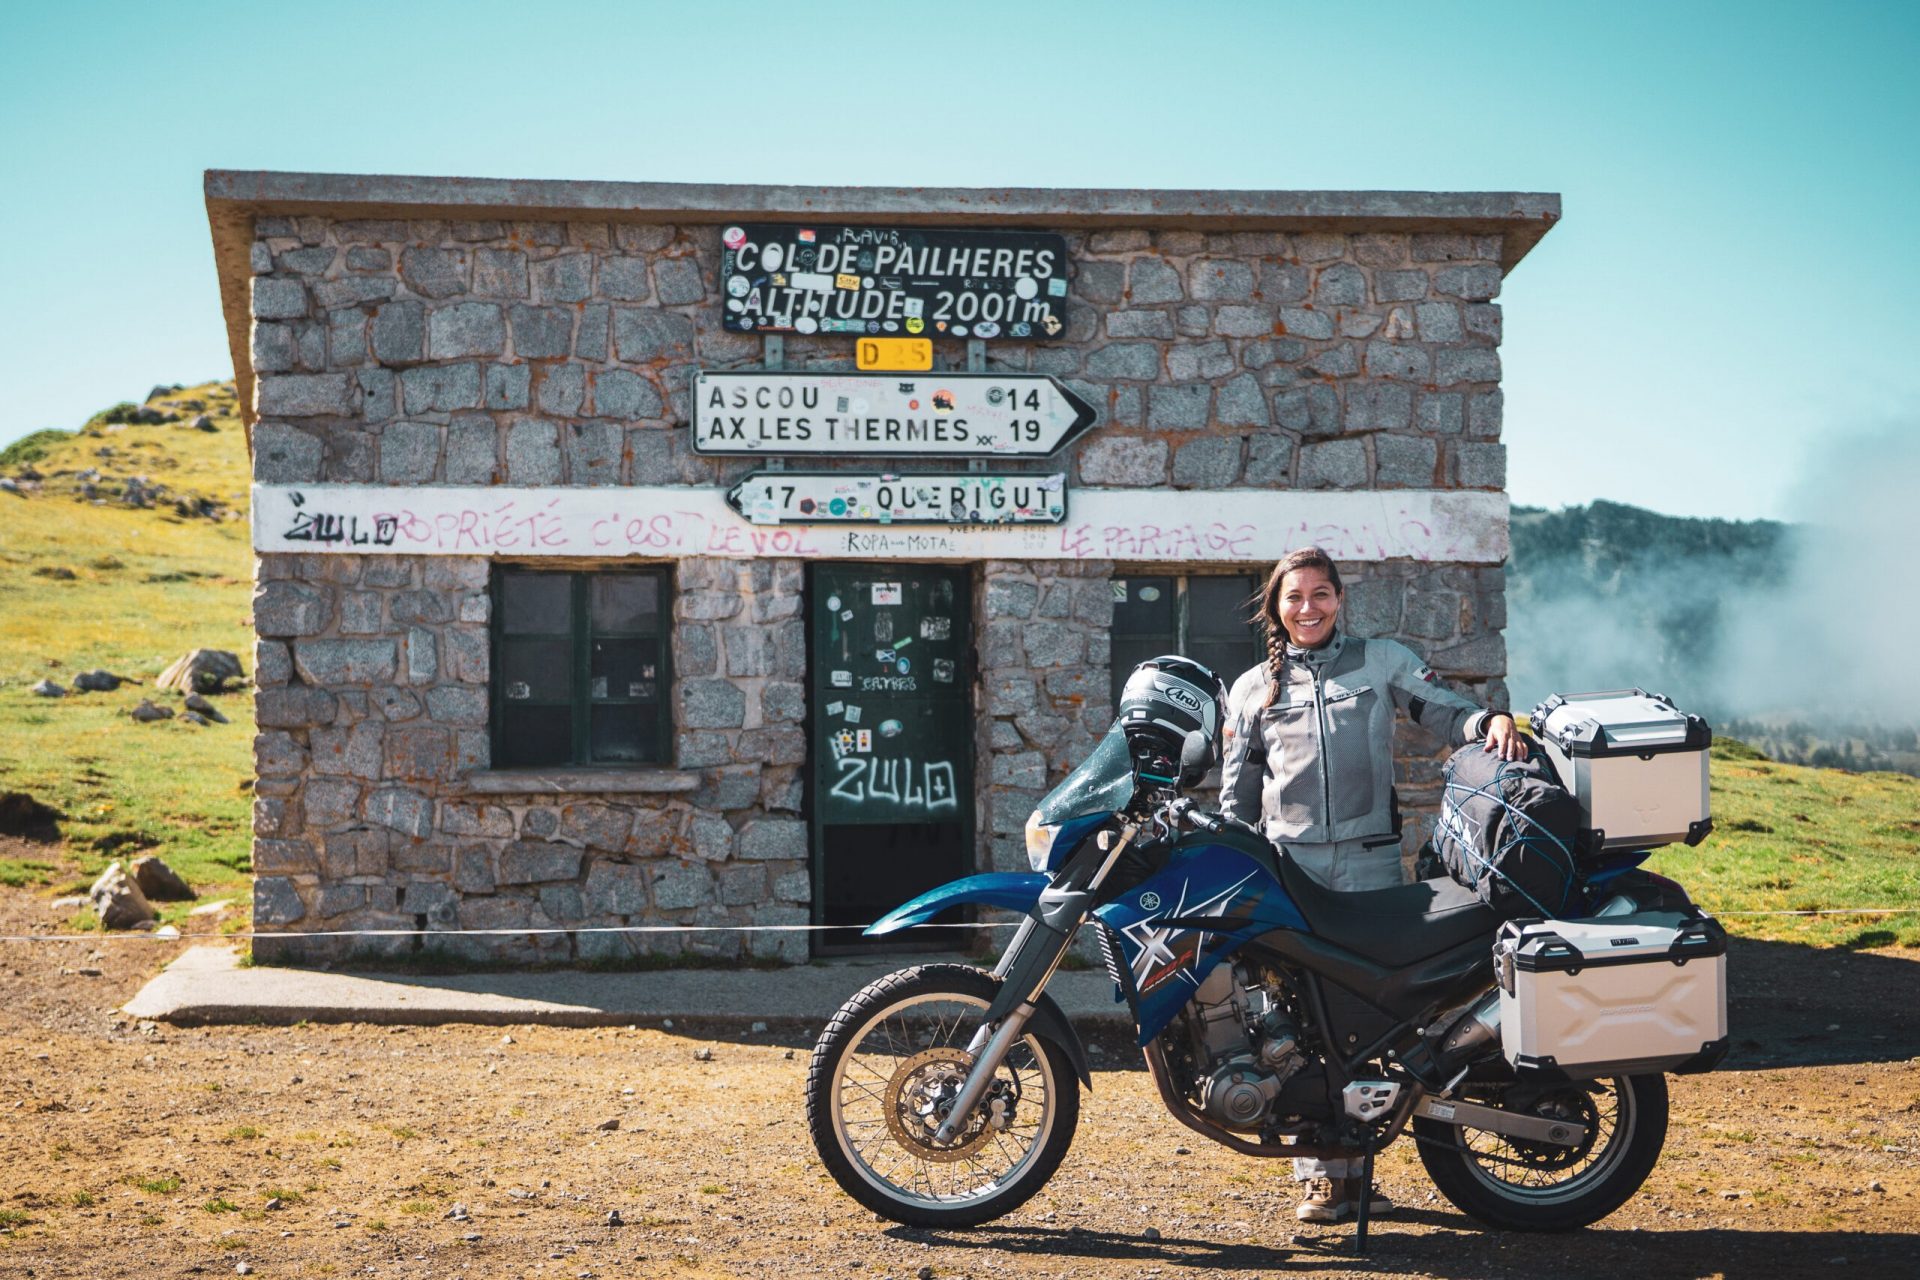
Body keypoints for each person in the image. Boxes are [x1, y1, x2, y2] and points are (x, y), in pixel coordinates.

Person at [1219, 546, 1527, 1224]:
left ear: (1339, 599)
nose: (1308, 608)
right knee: (1301, 1026)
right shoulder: (1250, 690)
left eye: (1320, 594)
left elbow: (1442, 710)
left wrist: (1488, 722)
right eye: (1294, 597)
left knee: (1369, 1024)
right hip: (1288, 875)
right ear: (1275, 606)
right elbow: (1236, 799)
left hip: (1368, 868)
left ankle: (1359, 1169)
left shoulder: (1382, 660)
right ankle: (1322, 1179)